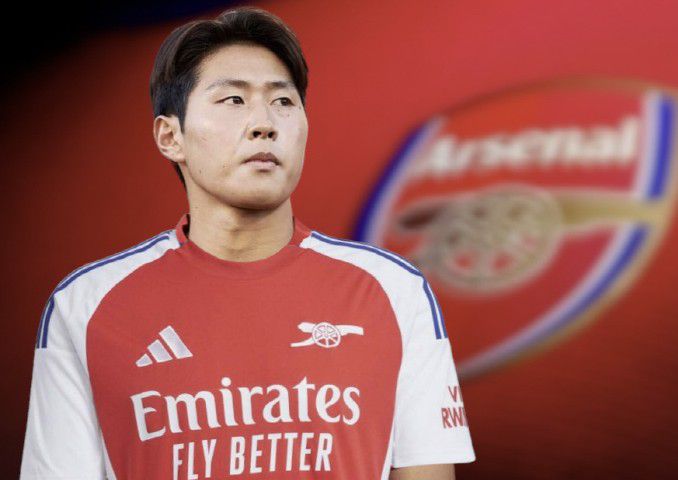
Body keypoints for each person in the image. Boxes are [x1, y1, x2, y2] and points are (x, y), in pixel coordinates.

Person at [20, 6, 475, 479]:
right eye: (233, 100)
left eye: (283, 101)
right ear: (170, 137)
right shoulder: (86, 307)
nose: (265, 123)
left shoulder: (394, 291)